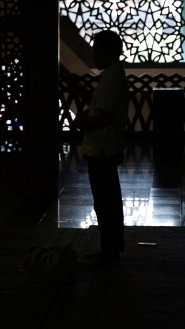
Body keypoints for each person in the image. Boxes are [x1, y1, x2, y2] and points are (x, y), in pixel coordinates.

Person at [74, 30, 130, 267]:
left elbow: (104, 116)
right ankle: (111, 248)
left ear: (107, 51)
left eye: (96, 49)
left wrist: (83, 122)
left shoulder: (110, 80)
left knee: (105, 203)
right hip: (106, 147)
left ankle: (109, 250)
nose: (93, 54)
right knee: (109, 201)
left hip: (102, 149)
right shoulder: (113, 76)